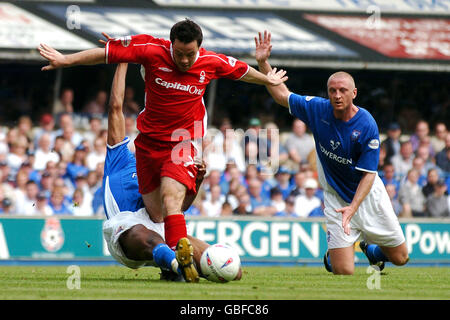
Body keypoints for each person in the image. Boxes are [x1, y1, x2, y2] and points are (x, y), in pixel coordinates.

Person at [39, 18, 287, 253]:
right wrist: (66, 60)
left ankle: (179, 261)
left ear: (199, 48)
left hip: (184, 140)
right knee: (157, 214)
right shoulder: (150, 49)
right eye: (179, 54)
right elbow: (104, 54)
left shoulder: (211, 62)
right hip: (149, 143)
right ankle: (175, 254)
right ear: (171, 45)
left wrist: (267, 77)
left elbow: (243, 72)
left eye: (190, 54)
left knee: (171, 197)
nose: (185, 60)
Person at [255, 31, 408, 275]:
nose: (337, 95)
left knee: (401, 258)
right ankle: (337, 255)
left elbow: (369, 175)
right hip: (337, 198)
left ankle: (371, 250)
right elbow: (283, 96)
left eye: (343, 90)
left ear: (353, 93)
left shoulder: (366, 124)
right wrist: (263, 64)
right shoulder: (318, 109)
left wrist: (354, 207)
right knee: (344, 272)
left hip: (368, 196)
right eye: (333, 90)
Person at [101, 63, 241, 282]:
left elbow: (180, 207)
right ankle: (177, 266)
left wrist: (198, 179)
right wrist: (122, 60)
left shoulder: (168, 164)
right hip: (127, 228)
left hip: (165, 229)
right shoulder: (119, 156)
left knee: (230, 269)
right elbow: (115, 108)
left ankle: (175, 264)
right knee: (145, 236)